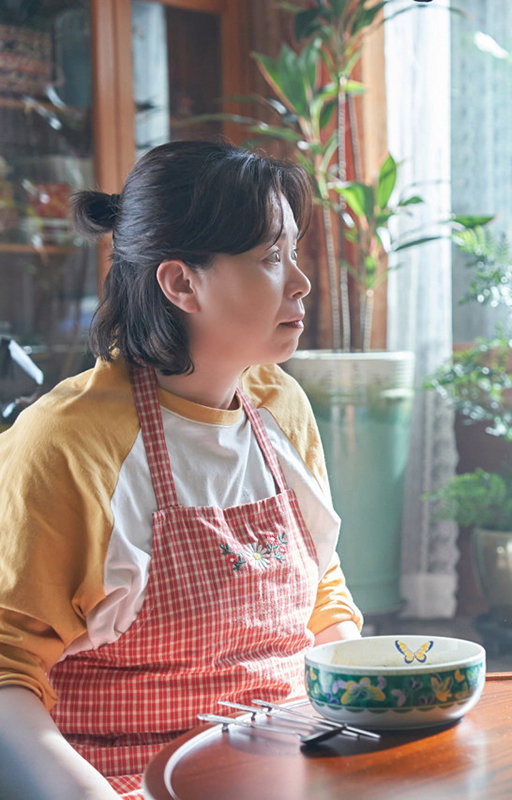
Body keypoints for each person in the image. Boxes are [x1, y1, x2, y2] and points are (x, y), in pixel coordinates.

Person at [0, 140, 363, 799]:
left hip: (296, 766)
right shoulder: (69, 444)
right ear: (180, 283)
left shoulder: (281, 405)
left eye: (294, 253)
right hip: (129, 783)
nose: (301, 282)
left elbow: (322, 587)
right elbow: (6, 670)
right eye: (270, 258)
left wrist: (368, 709)